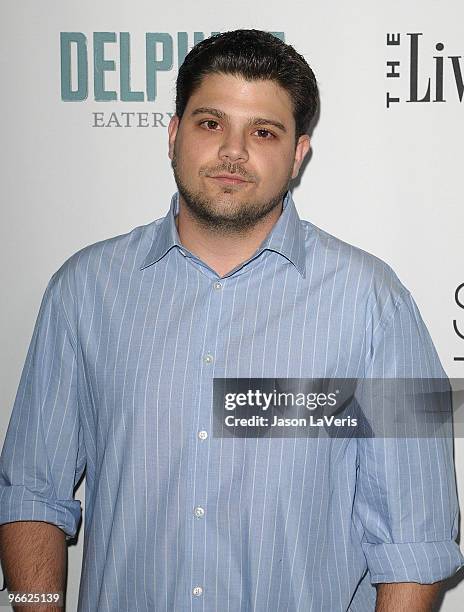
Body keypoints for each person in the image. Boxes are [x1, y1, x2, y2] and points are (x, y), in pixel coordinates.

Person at [0, 29, 462, 612]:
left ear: (298, 154)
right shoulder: (84, 291)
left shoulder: (375, 304)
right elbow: (31, 494)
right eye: (210, 124)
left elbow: (413, 540)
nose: (233, 152)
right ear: (173, 136)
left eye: (263, 132)